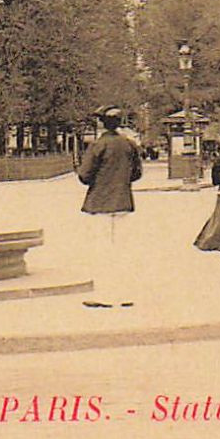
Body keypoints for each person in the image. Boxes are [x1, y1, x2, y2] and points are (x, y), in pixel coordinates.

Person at [77, 108, 144, 306]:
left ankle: (104, 295)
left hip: (100, 203)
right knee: (122, 248)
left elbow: (85, 175)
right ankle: (124, 295)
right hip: (123, 201)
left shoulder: (98, 145)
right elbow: (137, 173)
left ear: (101, 123)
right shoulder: (128, 145)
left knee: (102, 249)